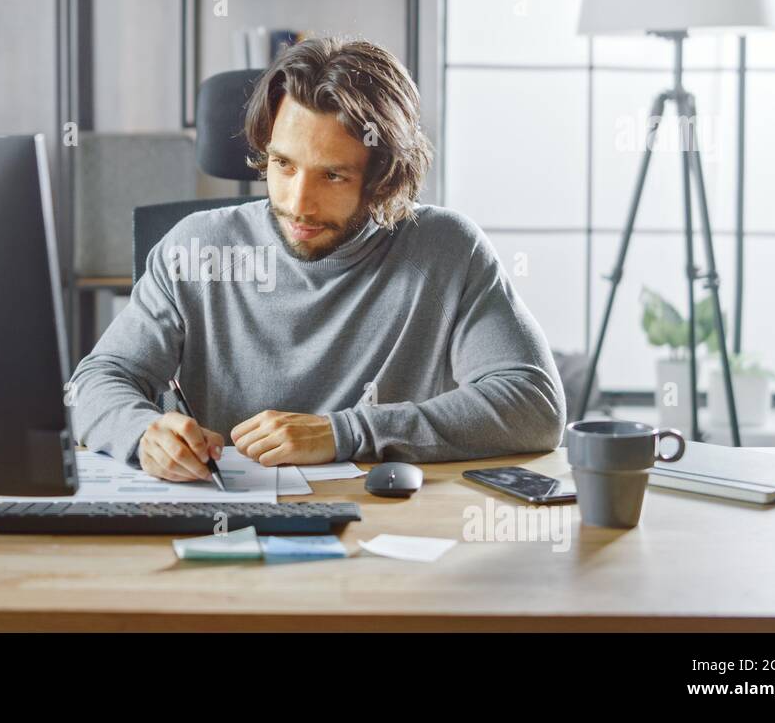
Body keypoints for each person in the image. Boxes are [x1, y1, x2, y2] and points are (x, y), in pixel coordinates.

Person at [69, 37, 566, 482]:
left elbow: (534, 405)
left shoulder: (446, 250)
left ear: (383, 177)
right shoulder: (195, 249)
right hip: (226, 522)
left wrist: (343, 433)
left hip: (382, 531)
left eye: (332, 176)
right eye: (283, 165)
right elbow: (95, 381)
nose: (298, 203)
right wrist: (143, 432)